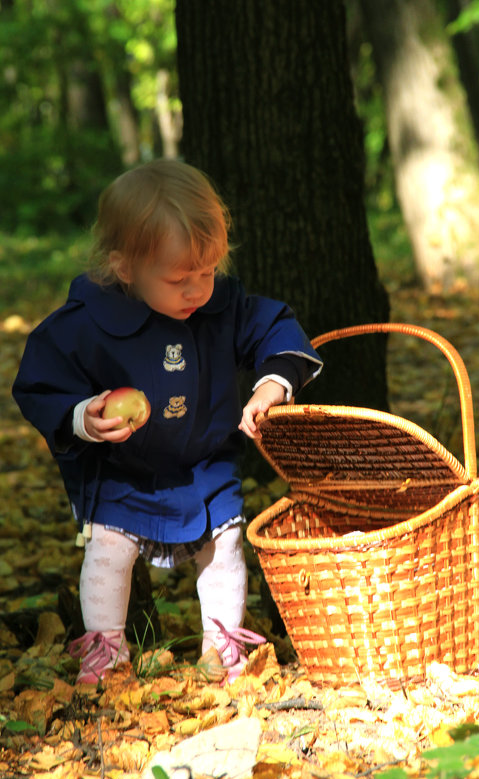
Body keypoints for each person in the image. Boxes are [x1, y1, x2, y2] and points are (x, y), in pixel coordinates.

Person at [12, 159, 322, 685]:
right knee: (108, 553)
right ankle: (106, 652)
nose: (197, 289)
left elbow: (274, 328)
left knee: (224, 548)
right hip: (123, 468)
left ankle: (222, 645)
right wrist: (84, 418)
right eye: (179, 278)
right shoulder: (87, 322)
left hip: (204, 459)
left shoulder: (221, 307)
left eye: (208, 272)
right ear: (126, 267)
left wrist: (273, 383)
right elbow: (41, 381)